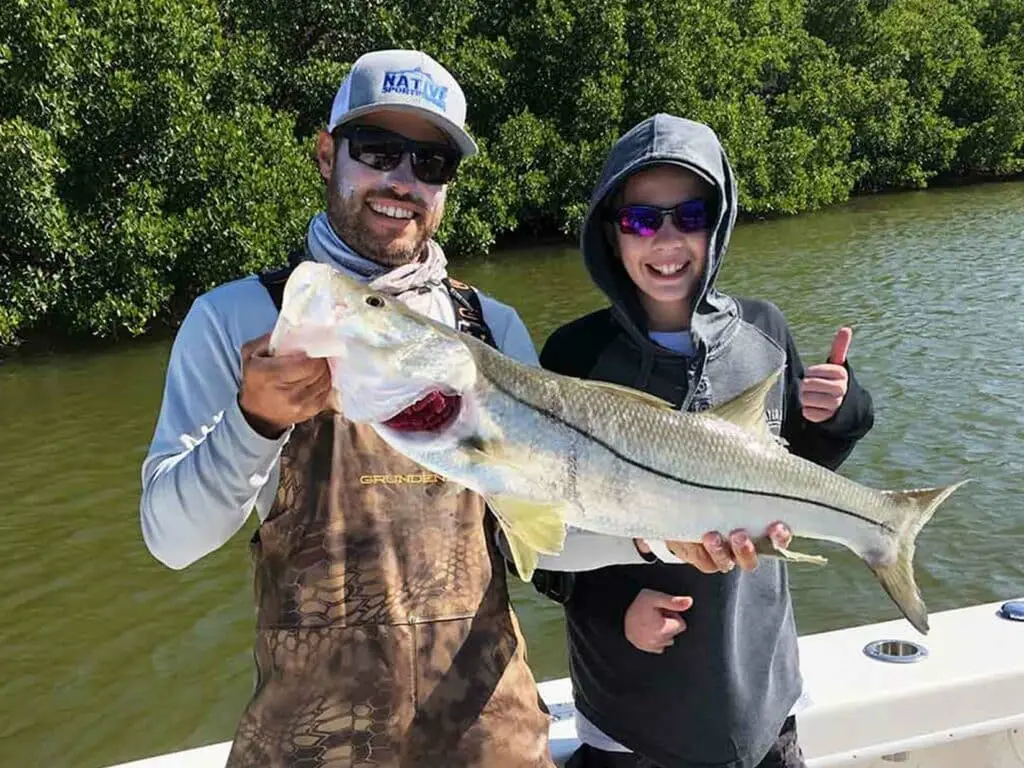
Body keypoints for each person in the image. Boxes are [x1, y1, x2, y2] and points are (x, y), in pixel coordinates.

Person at [140, 49, 555, 768]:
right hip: (313, 746)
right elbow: (171, 541)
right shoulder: (237, 319)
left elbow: (553, 523)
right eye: (378, 150)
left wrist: (667, 536)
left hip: (492, 741)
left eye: (431, 162)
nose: (403, 181)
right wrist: (254, 421)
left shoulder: (492, 329)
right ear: (326, 153)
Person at [529, 114, 875, 768]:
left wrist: (840, 412)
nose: (666, 240)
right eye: (640, 220)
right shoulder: (574, 355)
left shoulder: (765, 331)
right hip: (631, 712)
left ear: (716, 223)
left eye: (688, 216)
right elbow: (539, 538)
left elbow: (796, 474)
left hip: (760, 694)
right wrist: (613, 609)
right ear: (611, 229)